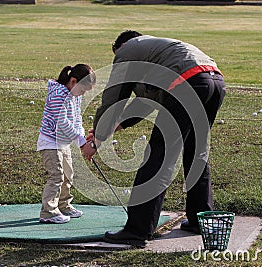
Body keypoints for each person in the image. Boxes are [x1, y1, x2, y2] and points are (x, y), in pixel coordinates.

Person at [81, 30, 226, 247]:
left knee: (158, 156)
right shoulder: (158, 53)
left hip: (188, 85)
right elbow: (146, 102)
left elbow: (113, 98)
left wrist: (97, 139)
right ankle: (200, 218)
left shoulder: (127, 51)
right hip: (214, 82)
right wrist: (116, 125)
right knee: (197, 152)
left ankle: (137, 230)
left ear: (120, 46)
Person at [37, 64, 96, 224]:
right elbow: (61, 121)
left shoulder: (75, 94)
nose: (82, 94)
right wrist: (81, 141)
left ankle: (63, 205)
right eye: (83, 90)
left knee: (68, 175)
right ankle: (48, 211)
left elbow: (76, 119)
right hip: (50, 142)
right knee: (57, 176)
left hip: (63, 142)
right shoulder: (58, 94)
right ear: (73, 81)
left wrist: (82, 138)